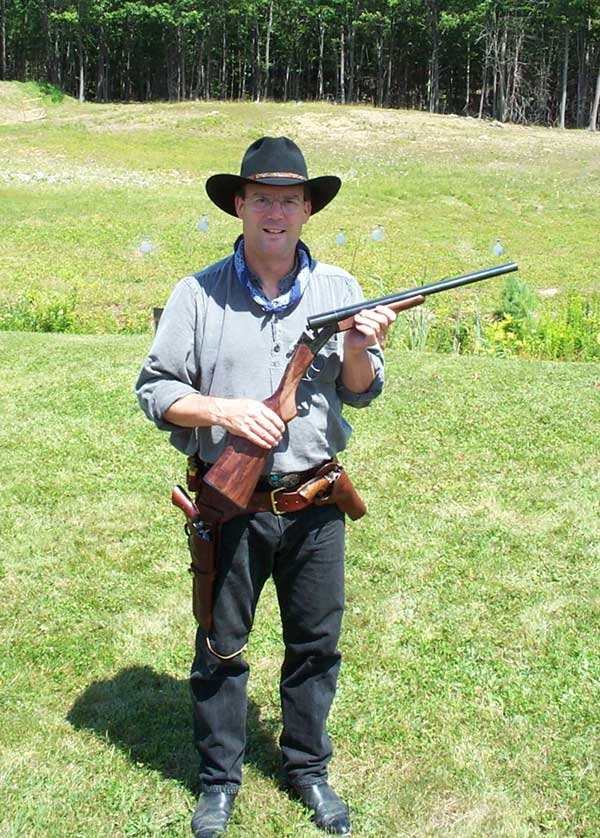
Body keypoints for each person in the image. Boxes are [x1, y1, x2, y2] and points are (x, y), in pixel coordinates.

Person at [135, 137, 403, 837]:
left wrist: (355, 346)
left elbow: (363, 392)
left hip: (317, 501)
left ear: (308, 209)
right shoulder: (197, 293)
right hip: (230, 504)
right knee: (222, 644)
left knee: (316, 643)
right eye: (263, 199)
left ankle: (308, 770)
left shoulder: (342, 290)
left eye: (290, 200)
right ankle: (220, 782)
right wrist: (225, 411)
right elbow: (156, 391)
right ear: (239, 205)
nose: (276, 213)